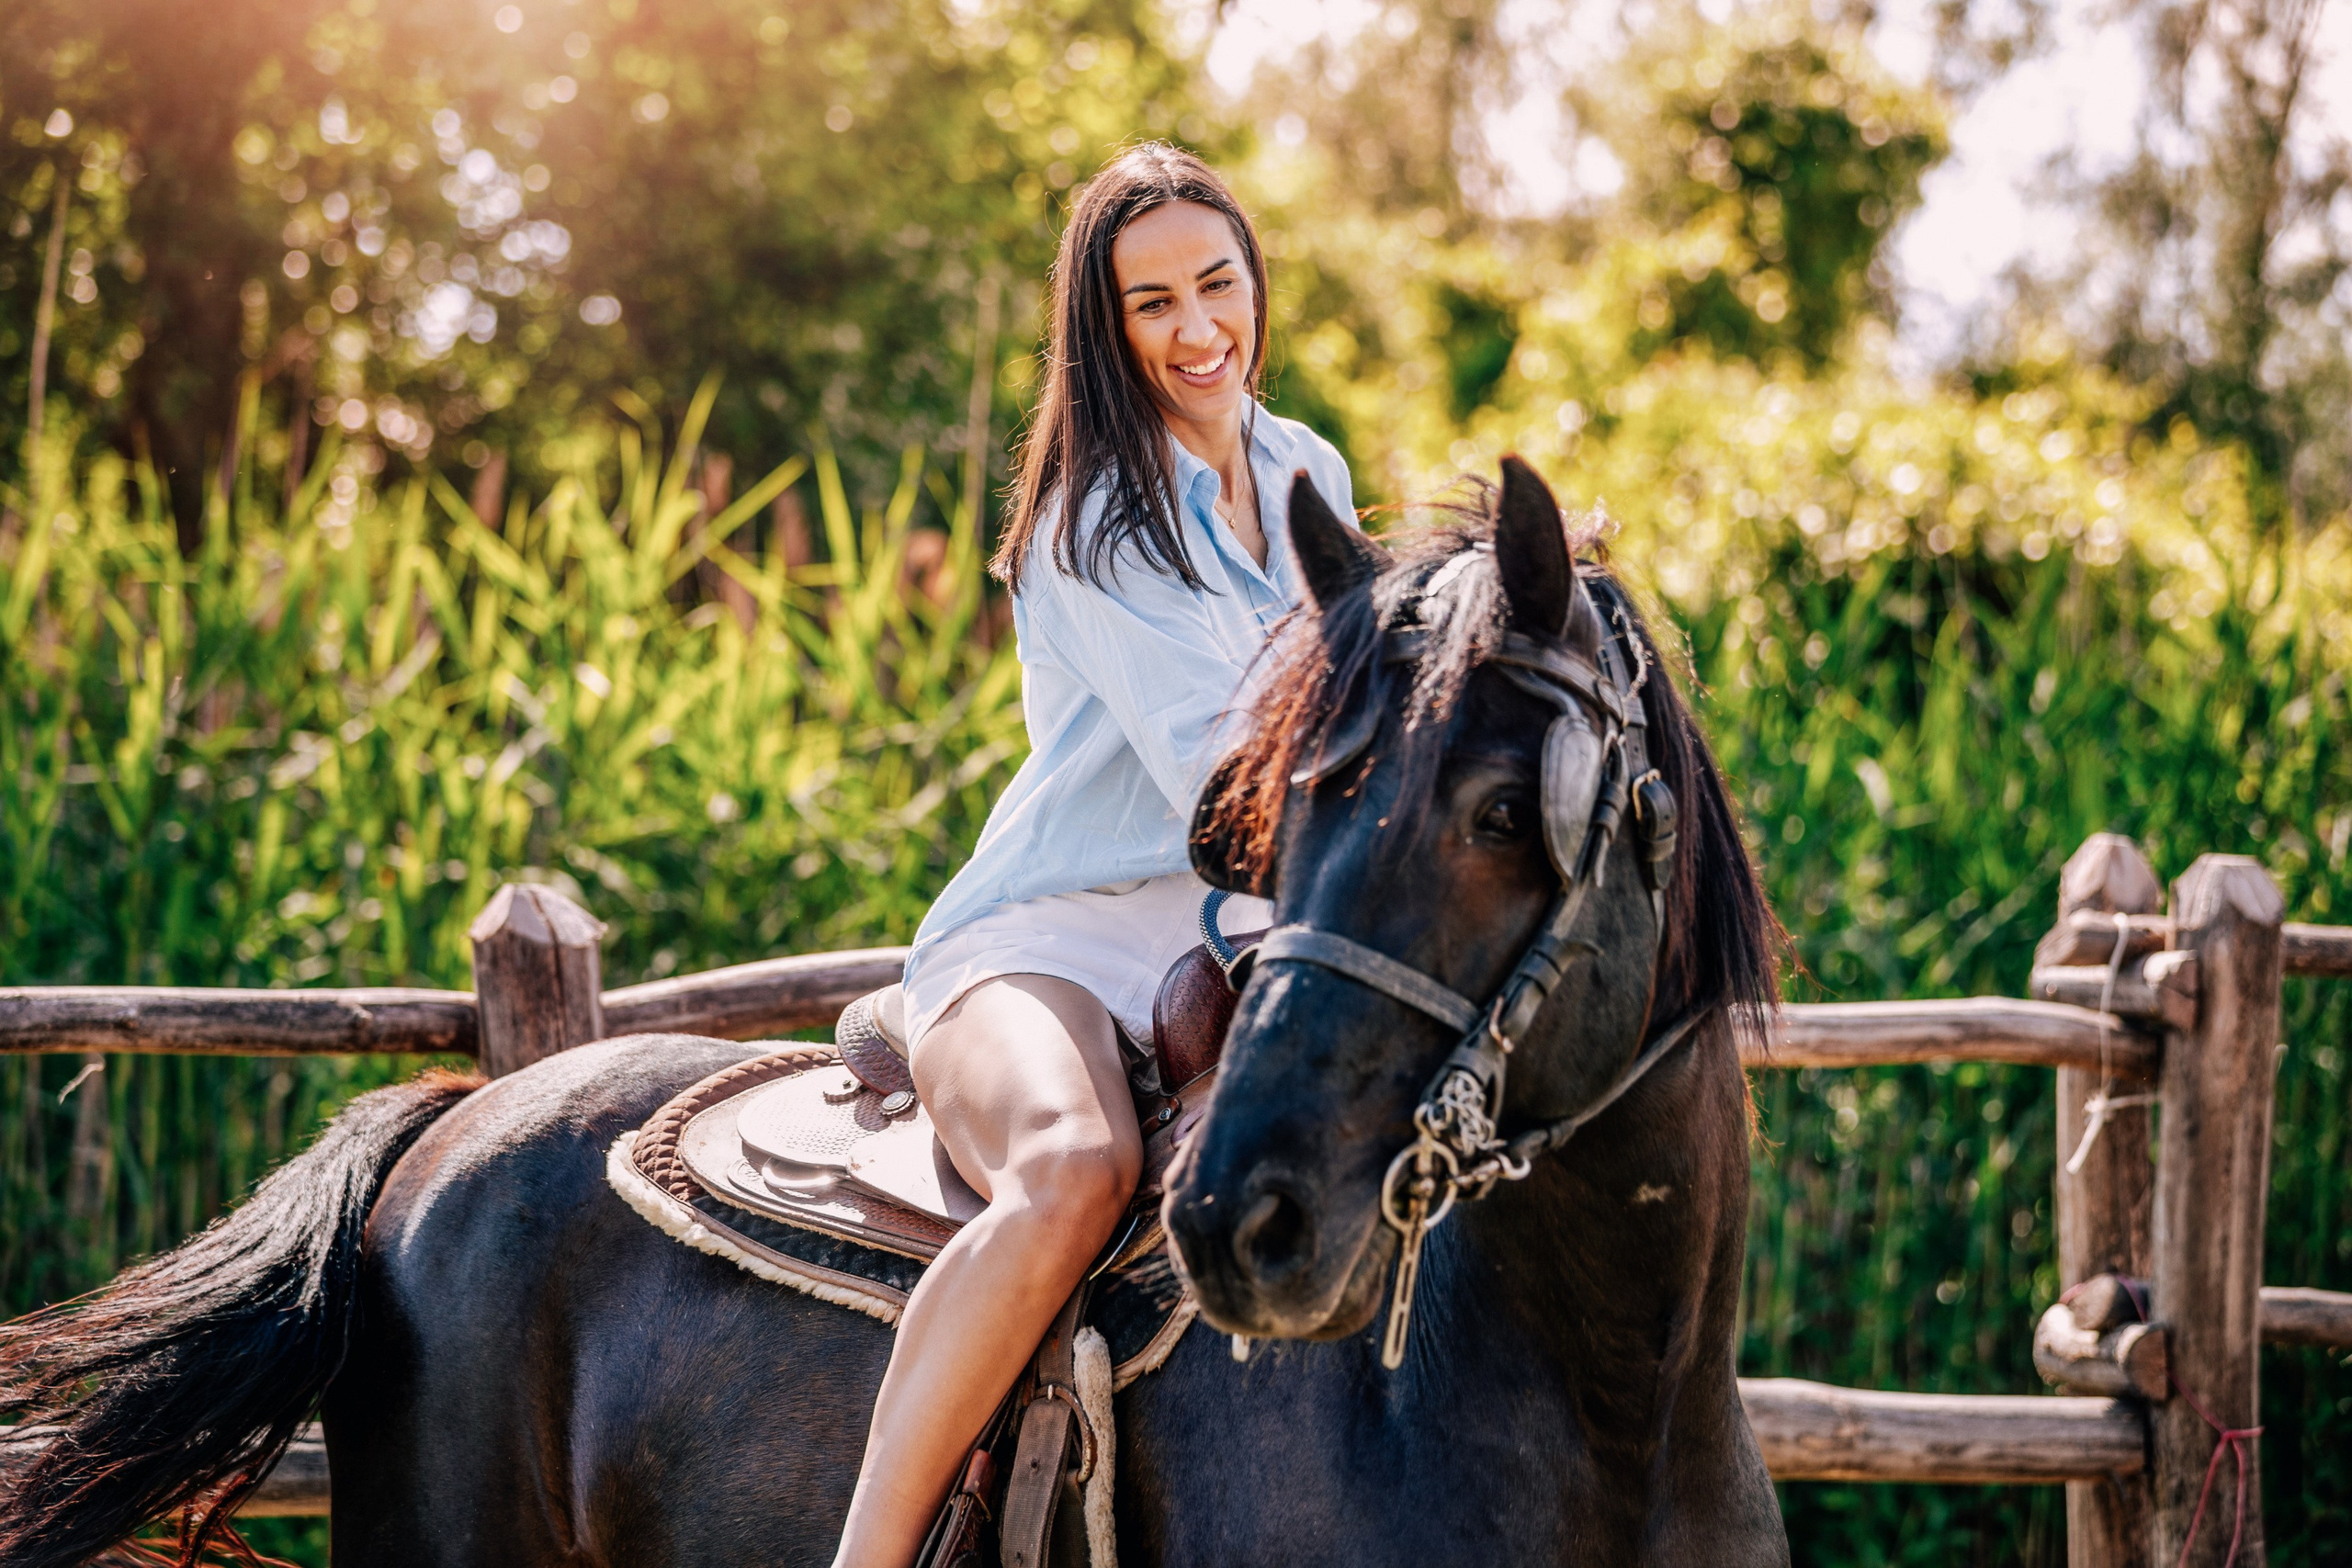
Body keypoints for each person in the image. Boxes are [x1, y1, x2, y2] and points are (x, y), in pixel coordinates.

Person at [829, 143, 1357, 1567]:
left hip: (1240, 929)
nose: (1198, 333)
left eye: (1218, 285)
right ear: (1102, 328)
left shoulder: (1308, 465)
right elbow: (1233, 766)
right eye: (1151, 305)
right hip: (1050, 938)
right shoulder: (1090, 521)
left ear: (1255, 283)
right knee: (1072, 1168)